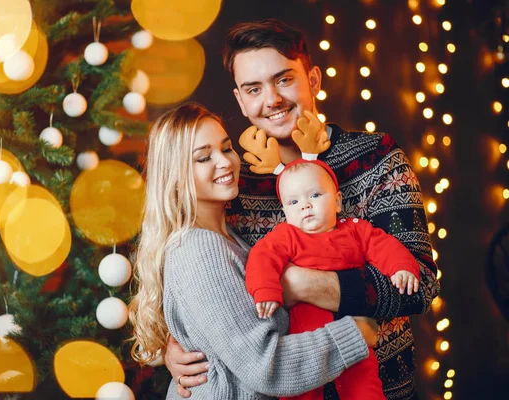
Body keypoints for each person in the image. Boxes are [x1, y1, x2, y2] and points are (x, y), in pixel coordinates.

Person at [165, 19, 440, 400]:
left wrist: (299, 284)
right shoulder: (235, 184)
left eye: (284, 80)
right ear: (241, 100)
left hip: (382, 385)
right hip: (282, 391)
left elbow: (420, 286)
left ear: (312, 79)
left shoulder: (378, 159)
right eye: (253, 89)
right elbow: (209, 283)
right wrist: (180, 345)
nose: (271, 99)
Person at [129, 102, 379, 399]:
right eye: (203, 157)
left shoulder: (229, 238)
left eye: (226, 148)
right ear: (175, 177)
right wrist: (355, 334)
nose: (224, 162)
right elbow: (264, 365)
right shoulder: (199, 249)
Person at [245, 158, 420, 400]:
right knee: (300, 392)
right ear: (285, 211)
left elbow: (384, 245)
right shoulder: (286, 236)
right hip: (305, 342)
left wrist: (400, 268)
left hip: (355, 334)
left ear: (337, 201)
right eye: (293, 202)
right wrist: (265, 290)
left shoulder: (355, 230)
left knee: (365, 386)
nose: (305, 206)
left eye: (315, 195)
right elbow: (262, 258)